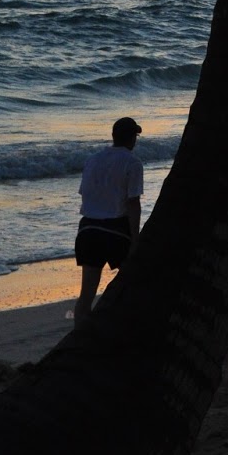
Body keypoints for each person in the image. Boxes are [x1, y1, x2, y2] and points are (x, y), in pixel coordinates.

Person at [74, 115, 144, 325]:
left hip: (87, 229)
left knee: (86, 294)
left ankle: (79, 336)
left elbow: (86, 194)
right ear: (132, 138)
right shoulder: (133, 162)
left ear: (113, 136)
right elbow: (132, 203)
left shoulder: (93, 159)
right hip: (115, 229)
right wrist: (135, 238)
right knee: (132, 284)